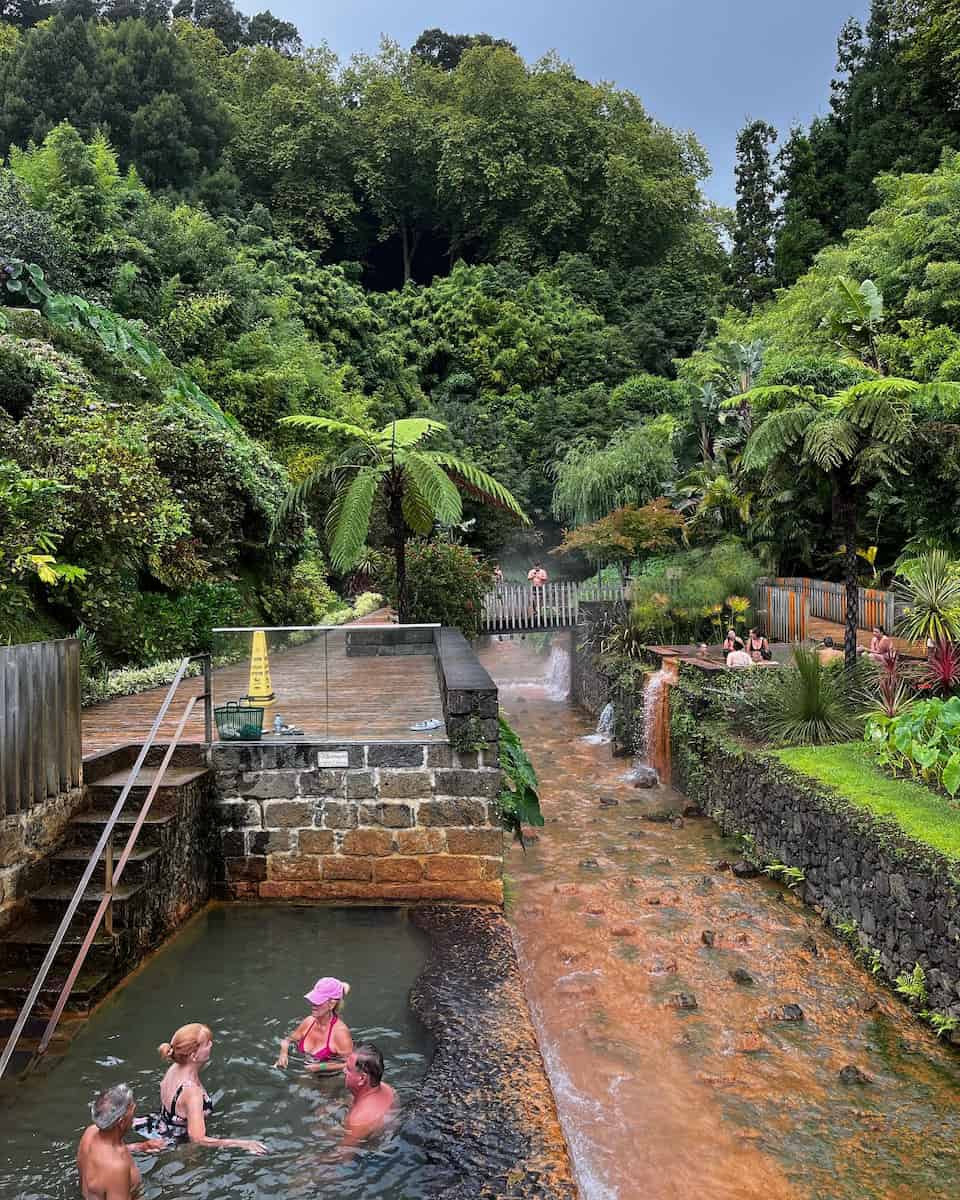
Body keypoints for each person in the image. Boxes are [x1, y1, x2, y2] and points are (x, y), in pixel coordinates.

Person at [148, 1022, 266, 1153]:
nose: (211, 1044)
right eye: (206, 1043)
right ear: (193, 1055)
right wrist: (242, 1144)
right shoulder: (192, 1092)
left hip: (161, 1126)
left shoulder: (174, 1068)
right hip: (181, 1146)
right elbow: (198, 1139)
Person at [77, 1083, 165, 1200]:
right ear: (122, 1121)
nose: (134, 1117)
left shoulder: (90, 1133)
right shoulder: (117, 1169)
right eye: (132, 1110)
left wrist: (140, 1147)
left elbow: (107, 1155)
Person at [276, 977, 353, 1073]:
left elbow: (351, 1064)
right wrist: (283, 1053)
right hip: (305, 1070)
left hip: (328, 1076)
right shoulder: (309, 1021)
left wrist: (321, 1067)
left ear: (332, 1004)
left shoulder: (340, 1033)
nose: (313, 1004)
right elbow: (287, 1040)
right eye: (313, 999)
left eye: (318, 1001)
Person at [343, 1044, 396, 1142]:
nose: (344, 1071)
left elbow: (343, 1151)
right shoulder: (388, 1089)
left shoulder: (357, 1120)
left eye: (348, 1069)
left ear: (362, 1078)